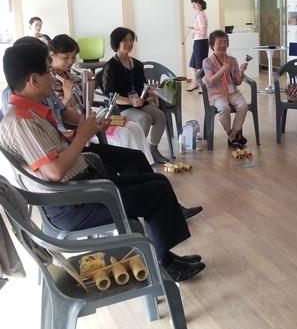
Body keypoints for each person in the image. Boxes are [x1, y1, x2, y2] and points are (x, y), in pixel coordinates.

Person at [0, 42, 205, 281]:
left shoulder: (28, 113)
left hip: (81, 191)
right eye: (48, 71)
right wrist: (81, 136)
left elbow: (50, 156)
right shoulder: (22, 121)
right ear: (34, 80)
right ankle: (163, 264)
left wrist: (77, 135)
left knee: (158, 181)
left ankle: (163, 257)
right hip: (73, 203)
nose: (52, 77)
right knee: (156, 192)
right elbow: (54, 172)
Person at [49, 34, 154, 165]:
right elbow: (56, 115)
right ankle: (131, 168)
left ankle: (146, 165)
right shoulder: (49, 81)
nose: (70, 61)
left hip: (86, 118)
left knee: (135, 127)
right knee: (124, 134)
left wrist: (91, 83)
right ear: (52, 55)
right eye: (65, 57)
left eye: (73, 57)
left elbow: (87, 102)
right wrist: (67, 98)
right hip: (74, 127)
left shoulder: (72, 76)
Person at [101, 27, 169, 164]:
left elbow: (142, 85)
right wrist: (130, 101)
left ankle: (153, 150)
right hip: (121, 106)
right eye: (125, 40)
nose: (129, 43)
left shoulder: (137, 64)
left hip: (138, 102)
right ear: (116, 43)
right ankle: (137, 153)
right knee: (145, 119)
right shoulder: (111, 66)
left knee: (160, 116)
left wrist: (150, 90)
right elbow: (111, 95)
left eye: (131, 40)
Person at [202, 30, 249, 148]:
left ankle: (233, 135)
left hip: (232, 92)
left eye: (225, 42)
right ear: (212, 45)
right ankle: (232, 134)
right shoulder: (207, 62)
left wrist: (241, 71)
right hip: (216, 93)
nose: (223, 45)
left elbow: (237, 82)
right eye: (219, 42)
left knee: (243, 106)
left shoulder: (232, 60)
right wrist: (223, 69)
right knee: (224, 108)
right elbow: (210, 82)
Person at [186, 0, 208, 92]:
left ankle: (204, 86)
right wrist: (193, 28)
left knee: (201, 65)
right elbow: (201, 28)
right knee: (193, 65)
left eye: (194, 4)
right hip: (198, 42)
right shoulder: (199, 14)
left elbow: (203, 32)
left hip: (201, 42)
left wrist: (192, 30)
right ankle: (195, 83)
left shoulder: (200, 15)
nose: (193, 6)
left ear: (199, 3)